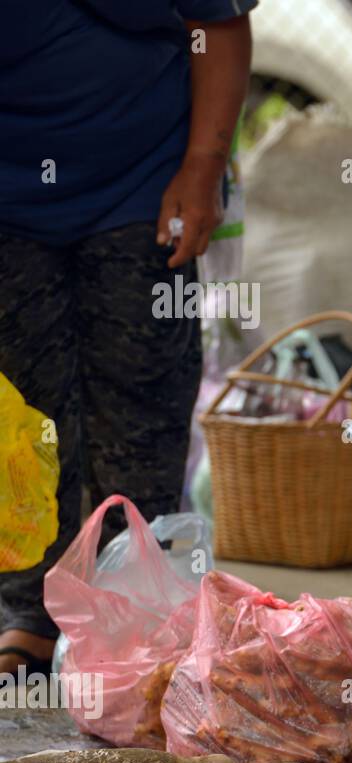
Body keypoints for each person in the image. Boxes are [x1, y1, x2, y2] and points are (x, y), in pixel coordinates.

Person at [0, 1, 255, 676]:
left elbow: (220, 25)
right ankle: (32, 606)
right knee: (25, 408)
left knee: (141, 392)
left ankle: (138, 614)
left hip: (143, 182)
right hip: (9, 202)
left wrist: (204, 165)